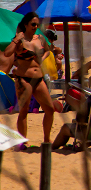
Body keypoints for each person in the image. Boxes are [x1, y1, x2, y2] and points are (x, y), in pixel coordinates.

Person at [4, 12, 57, 144]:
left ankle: (46, 138)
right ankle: (22, 141)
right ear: (26, 25)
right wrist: (16, 38)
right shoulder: (20, 41)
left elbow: (47, 50)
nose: (35, 27)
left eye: (37, 25)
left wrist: (41, 59)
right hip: (24, 79)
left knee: (49, 109)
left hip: (39, 79)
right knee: (23, 111)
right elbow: (7, 53)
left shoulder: (39, 38)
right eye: (33, 24)